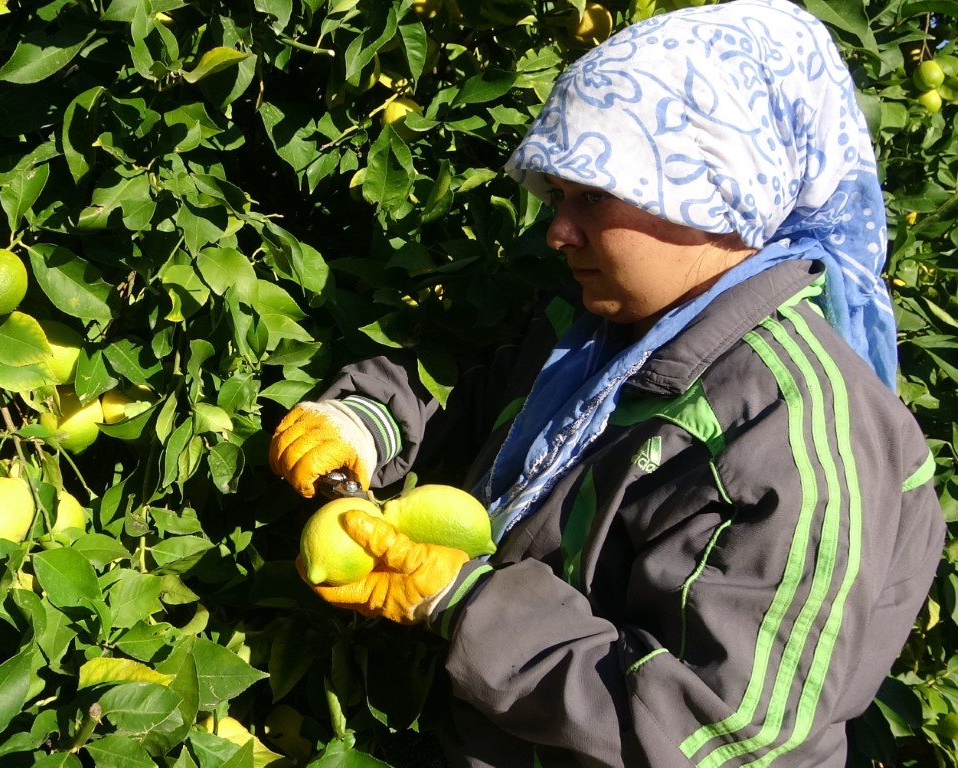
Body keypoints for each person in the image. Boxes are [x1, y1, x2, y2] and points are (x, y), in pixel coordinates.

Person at [266, 0, 946, 765]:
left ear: (714, 193)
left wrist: (468, 606)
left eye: (593, 196)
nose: (558, 231)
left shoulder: (796, 431)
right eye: (558, 198)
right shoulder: (599, 333)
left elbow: (727, 735)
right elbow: (478, 388)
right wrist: (367, 419)